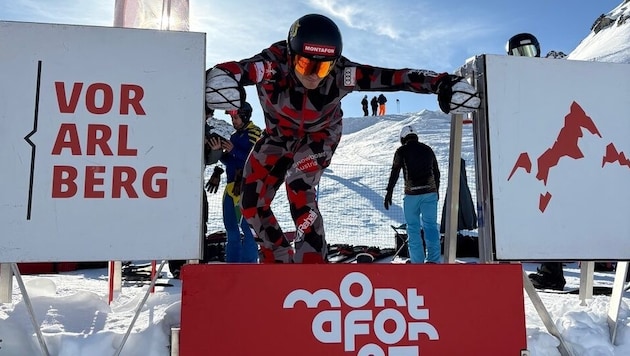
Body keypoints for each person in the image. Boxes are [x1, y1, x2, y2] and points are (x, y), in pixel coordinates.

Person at [205, 13, 479, 264]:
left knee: (300, 186)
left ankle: (312, 263)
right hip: (278, 136)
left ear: (334, 63)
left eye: (322, 69)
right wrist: (222, 78)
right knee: (251, 200)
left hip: (319, 137)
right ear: (291, 55)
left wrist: (443, 83)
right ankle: (278, 258)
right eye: (304, 64)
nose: (313, 75)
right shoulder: (273, 63)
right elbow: (240, 70)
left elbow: (395, 78)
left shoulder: (343, 74)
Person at [507, 33, 566, 290]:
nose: (525, 59)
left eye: (529, 52)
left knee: (549, 213)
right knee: (541, 214)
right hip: (535, 159)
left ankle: (552, 273)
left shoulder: (549, 76)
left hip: (552, 158)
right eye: (519, 54)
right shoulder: (515, 81)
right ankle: (549, 269)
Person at [169, 106, 224, 278]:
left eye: (211, 113)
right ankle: (177, 266)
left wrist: (215, 151)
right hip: (177, 184)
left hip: (195, 184)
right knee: (176, 225)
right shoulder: (179, 126)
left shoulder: (208, 131)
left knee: (201, 223)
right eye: (208, 112)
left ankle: (196, 262)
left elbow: (209, 159)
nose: (209, 116)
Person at [384, 125, 441, 263]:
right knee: (431, 226)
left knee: (413, 228)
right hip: (430, 193)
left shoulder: (401, 150)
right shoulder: (428, 149)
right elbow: (436, 172)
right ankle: (433, 260)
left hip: (411, 195)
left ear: (403, 138)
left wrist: (389, 192)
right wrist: (436, 191)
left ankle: (417, 262)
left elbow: (395, 171)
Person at [215, 102, 262, 263]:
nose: (233, 121)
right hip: (230, 187)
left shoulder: (254, 132)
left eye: (236, 117)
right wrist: (219, 153)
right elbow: (231, 161)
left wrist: (233, 150)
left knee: (247, 229)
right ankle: (232, 265)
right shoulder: (234, 136)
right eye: (232, 118)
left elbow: (256, 158)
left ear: (245, 116)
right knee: (231, 229)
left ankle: (249, 266)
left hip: (246, 186)